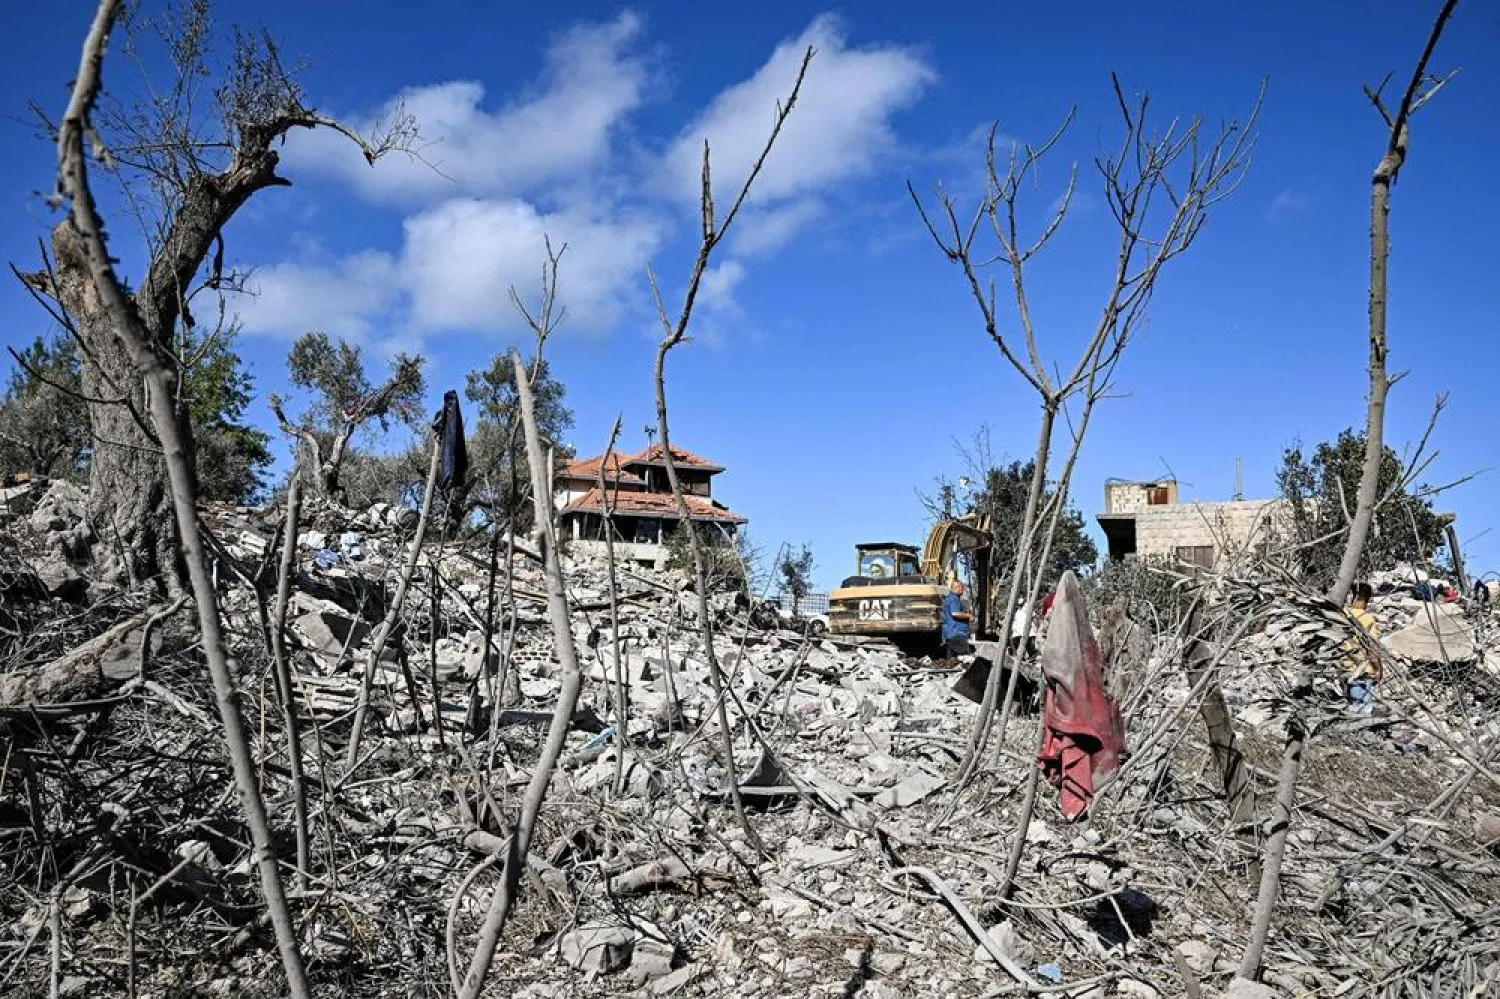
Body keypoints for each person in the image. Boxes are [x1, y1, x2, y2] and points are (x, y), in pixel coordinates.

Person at [1342, 581, 1382, 713]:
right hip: (1363, 673)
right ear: (1367, 599)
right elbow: (1371, 647)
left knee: (1350, 708)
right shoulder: (1367, 619)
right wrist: (1377, 669)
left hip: (1345, 670)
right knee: (1363, 711)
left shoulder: (1341, 615)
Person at [941, 578, 973, 660]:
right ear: (957, 588)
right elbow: (954, 613)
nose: (963, 590)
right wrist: (968, 616)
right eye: (962, 588)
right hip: (957, 634)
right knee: (966, 659)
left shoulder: (949, 599)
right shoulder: (954, 599)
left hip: (950, 634)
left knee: (952, 660)